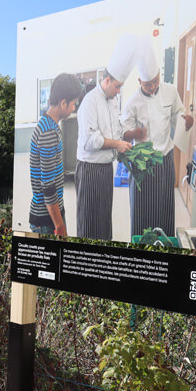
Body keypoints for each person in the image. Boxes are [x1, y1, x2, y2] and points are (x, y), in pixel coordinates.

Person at [120, 45, 193, 237]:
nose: (152, 87)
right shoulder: (132, 103)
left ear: (159, 75)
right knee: (142, 209)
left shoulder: (170, 91)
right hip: (142, 162)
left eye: (155, 81)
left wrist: (186, 120)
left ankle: (165, 244)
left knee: (165, 206)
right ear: (139, 81)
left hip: (166, 158)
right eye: (147, 84)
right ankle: (142, 246)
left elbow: (179, 113)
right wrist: (134, 134)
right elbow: (123, 133)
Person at [75, 34, 135, 239]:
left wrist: (126, 140)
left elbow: (116, 131)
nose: (118, 92)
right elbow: (90, 141)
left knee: (103, 221)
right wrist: (117, 144)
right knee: (89, 224)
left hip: (105, 170)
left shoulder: (111, 101)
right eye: (117, 86)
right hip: (89, 170)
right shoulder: (90, 102)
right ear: (107, 80)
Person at [29, 73, 83, 236]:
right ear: (63, 103)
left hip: (50, 214)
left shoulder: (48, 124)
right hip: (47, 220)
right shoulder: (49, 132)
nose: (74, 108)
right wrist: (59, 226)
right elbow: (48, 186)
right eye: (73, 104)